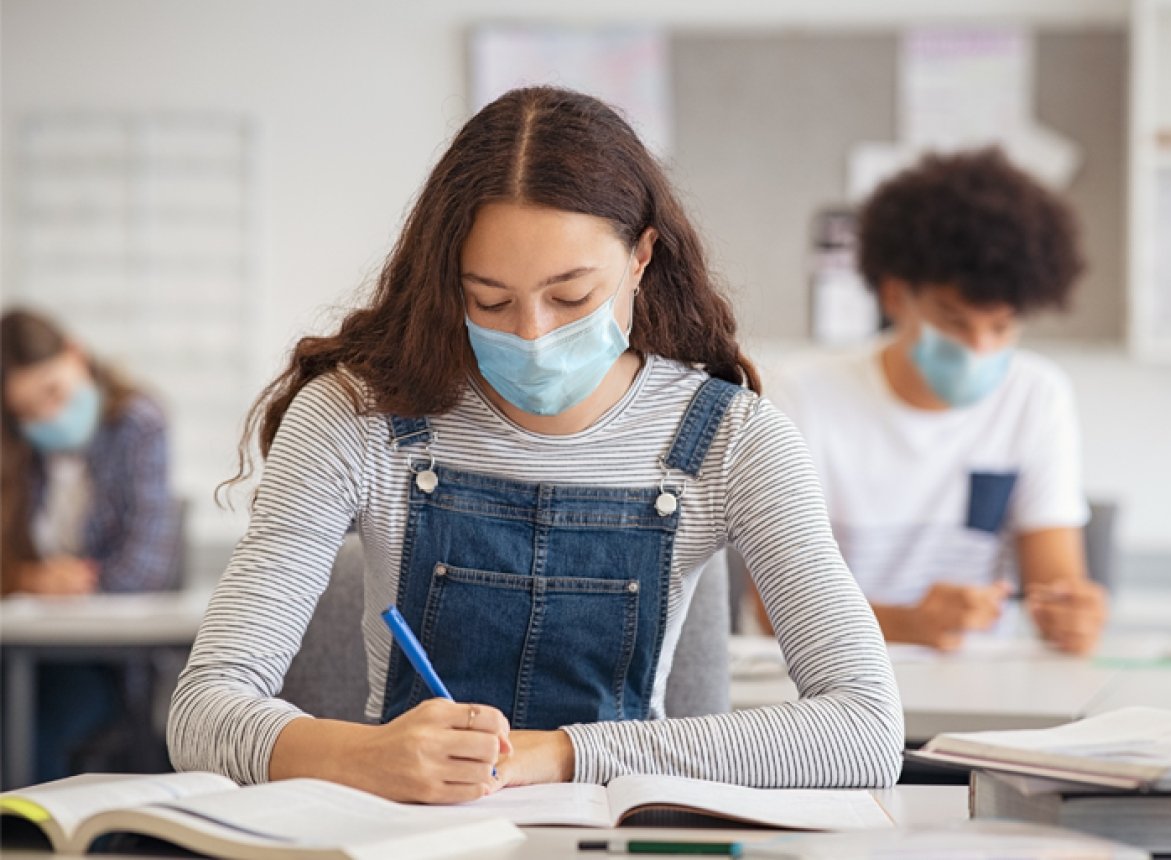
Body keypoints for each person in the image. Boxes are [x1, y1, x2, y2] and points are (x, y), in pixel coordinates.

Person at [167, 87, 903, 803]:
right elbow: (202, 712)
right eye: (489, 300)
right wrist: (361, 756)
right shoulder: (354, 417)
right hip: (404, 833)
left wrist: (560, 753)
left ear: (642, 258)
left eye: (572, 298)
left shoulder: (733, 439)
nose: (533, 334)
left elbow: (865, 730)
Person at [767, 148, 1107, 655]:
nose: (980, 349)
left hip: (979, 690)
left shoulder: (1036, 397)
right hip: (831, 687)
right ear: (895, 297)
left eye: (1001, 326)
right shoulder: (800, 396)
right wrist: (908, 624)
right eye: (954, 321)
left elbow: (1055, 585)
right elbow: (772, 608)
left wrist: (1072, 615)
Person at [1, 308, 178, 781]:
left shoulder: (139, 425)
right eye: (26, 411)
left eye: (53, 392)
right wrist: (29, 579)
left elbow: (145, 569)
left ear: (76, 356)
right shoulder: (17, 449)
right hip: (20, 649)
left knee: (34, 728)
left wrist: (74, 582)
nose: (46, 417)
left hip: (102, 660)